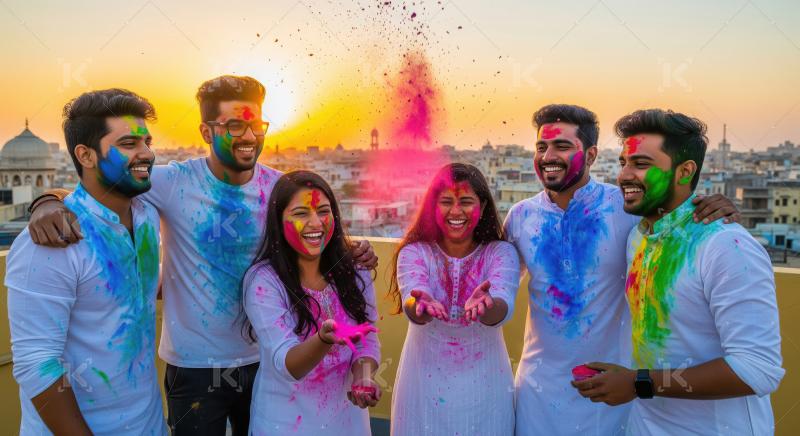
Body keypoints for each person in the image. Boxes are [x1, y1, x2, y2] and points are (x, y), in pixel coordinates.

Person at [25, 75, 377, 435]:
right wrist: (45, 203)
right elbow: (100, 187)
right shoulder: (172, 182)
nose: (248, 136)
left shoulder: (278, 189)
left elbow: (312, 229)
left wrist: (348, 249)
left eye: (256, 125)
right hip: (193, 367)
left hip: (265, 359)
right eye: (234, 125)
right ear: (206, 132)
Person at [503, 104, 741, 435]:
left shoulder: (626, 208)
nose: (548, 156)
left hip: (609, 390)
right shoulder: (520, 217)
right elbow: (499, 286)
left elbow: (675, 219)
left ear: (590, 155)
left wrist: (719, 206)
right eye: (541, 147)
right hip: (536, 391)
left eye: (562, 146)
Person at [571, 109, 784, 435]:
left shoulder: (726, 245)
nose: (624, 175)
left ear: (685, 171)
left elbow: (756, 369)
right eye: (623, 163)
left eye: (641, 164)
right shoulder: (639, 237)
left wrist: (639, 383)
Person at [6, 89, 166, 435]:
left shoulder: (146, 217)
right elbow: (37, 365)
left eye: (147, 141)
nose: (146, 154)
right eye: (128, 144)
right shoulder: (52, 241)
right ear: (86, 155)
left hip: (147, 423)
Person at [242, 170, 380, 434]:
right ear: (279, 222)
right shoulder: (263, 282)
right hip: (285, 423)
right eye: (301, 213)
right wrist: (323, 340)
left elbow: (367, 339)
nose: (316, 223)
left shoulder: (355, 271)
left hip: (346, 422)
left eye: (323, 211)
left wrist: (363, 378)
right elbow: (288, 365)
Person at [389, 163, 519, 435]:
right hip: (423, 384)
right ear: (433, 207)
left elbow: (503, 305)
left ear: (482, 207)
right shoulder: (415, 252)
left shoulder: (501, 253)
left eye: (466, 202)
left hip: (487, 386)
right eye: (446, 202)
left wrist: (488, 307)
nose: (456, 211)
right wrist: (420, 307)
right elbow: (412, 301)